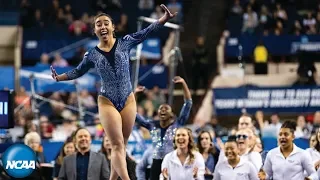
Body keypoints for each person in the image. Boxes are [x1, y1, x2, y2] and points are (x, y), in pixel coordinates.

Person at [51, 4, 178, 180]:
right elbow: (78, 71)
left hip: (128, 99)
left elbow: (146, 32)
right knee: (117, 145)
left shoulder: (125, 42)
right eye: (98, 24)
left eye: (105, 23)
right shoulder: (92, 54)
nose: (102, 26)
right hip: (107, 101)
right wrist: (59, 77)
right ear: (94, 30)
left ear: (112, 27)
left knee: (121, 147)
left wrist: (163, 19)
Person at [135, 76, 192, 180]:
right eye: (161, 109)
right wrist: (134, 95)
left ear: (172, 114)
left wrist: (183, 83)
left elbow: (188, 103)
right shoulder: (152, 125)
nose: (163, 110)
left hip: (173, 162)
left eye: (166, 108)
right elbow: (134, 115)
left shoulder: (177, 124)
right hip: (156, 162)